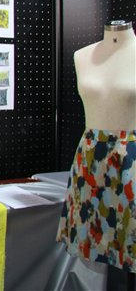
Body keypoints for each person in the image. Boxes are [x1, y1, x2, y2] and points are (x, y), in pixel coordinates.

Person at [56, 20, 136, 290]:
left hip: (130, 163)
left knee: (129, 242)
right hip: (90, 165)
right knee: (98, 246)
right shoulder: (83, 55)